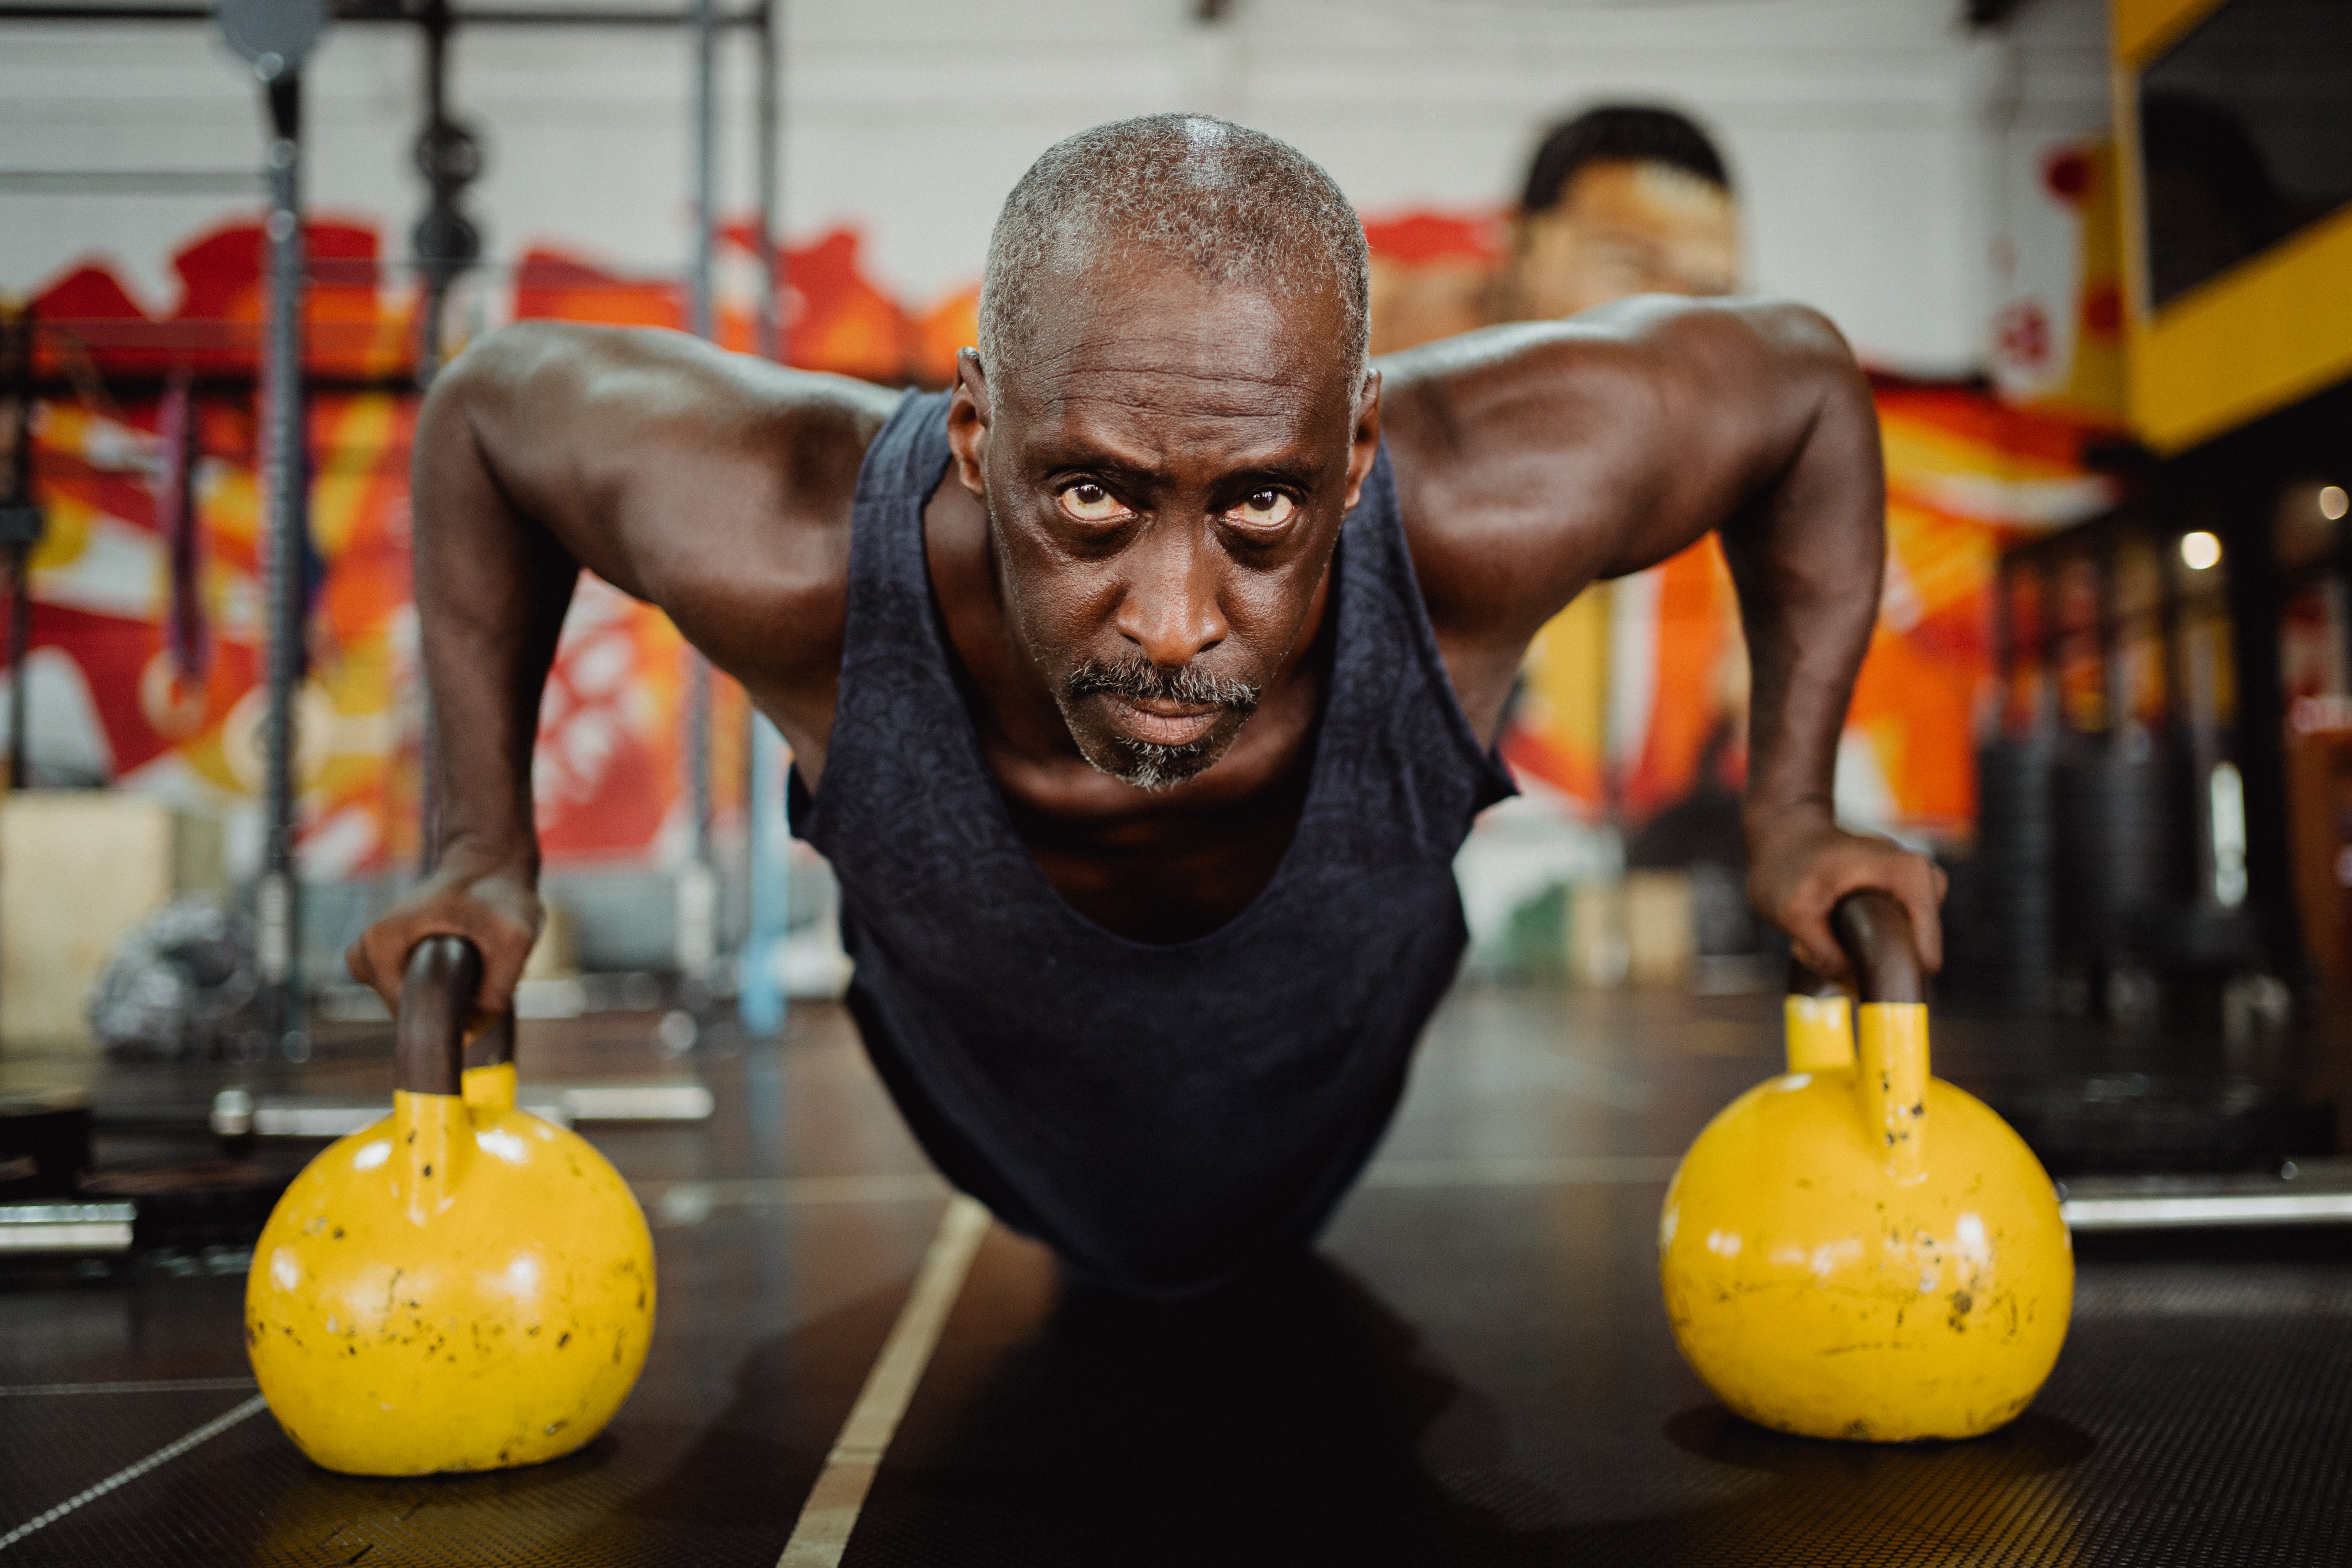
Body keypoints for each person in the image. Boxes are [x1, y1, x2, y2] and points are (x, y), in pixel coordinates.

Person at [349, 114, 1940, 1298]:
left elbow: (1797, 385)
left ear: (1357, 456)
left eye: (1261, 510)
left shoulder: (1476, 512)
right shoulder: (794, 543)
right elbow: (491, 412)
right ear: (976, 431)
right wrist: (483, 842)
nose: (1174, 625)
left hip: (1332, 1073)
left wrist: (1789, 806)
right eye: (1092, 500)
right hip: (986, 1103)